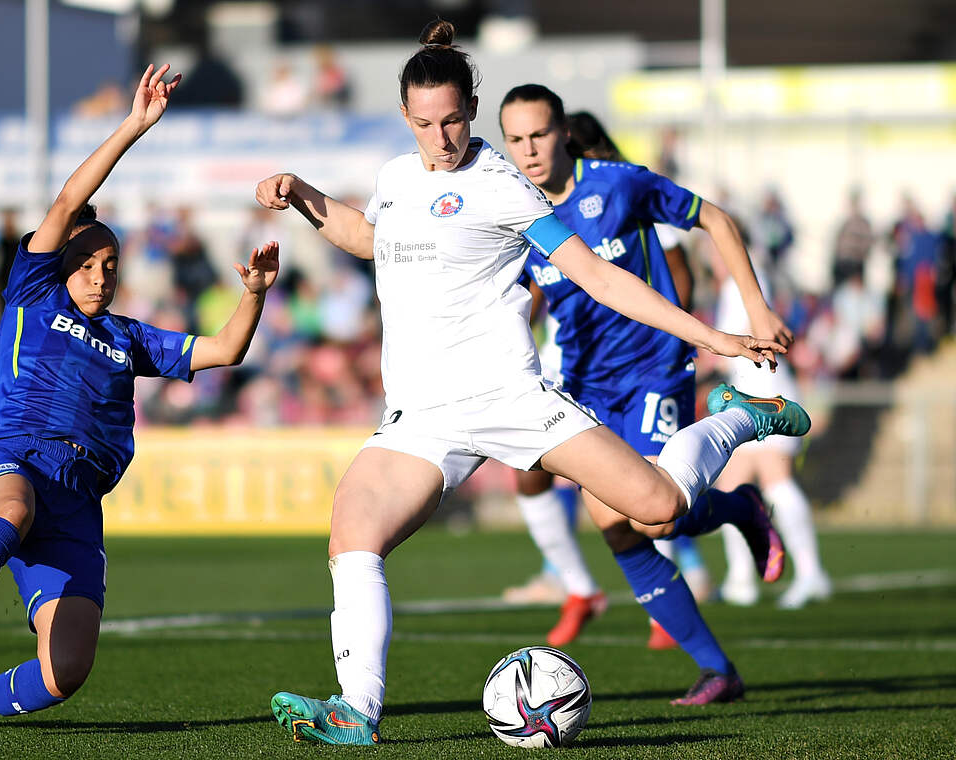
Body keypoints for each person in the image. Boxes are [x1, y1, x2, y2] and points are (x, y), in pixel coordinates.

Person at [256, 21, 808, 745]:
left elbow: (595, 274)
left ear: (472, 110)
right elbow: (369, 240)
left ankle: (739, 416)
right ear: (405, 118)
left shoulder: (501, 185)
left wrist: (710, 338)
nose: (441, 136)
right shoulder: (397, 176)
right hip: (422, 417)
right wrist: (302, 194)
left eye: (453, 119)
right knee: (351, 541)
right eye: (425, 122)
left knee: (659, 508)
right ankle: (355, 711)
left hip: (511, 399)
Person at [0, 64, 281, 730]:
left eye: (110, 266)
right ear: (58, 264)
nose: (99, 276)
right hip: (7, 460)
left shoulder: (127, 339)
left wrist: (255, 292)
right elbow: (67, 203)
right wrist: (136, 125)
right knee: (11, 504)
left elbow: (226, 350)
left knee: (64, 673)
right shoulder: (32, 295)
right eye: (86, 264)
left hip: (76, 499)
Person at [500, 105, 742, 652]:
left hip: (654, 364)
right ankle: (714, 667)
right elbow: (532, 291)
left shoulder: (622, 187)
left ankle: (741, 432)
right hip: (584, 380)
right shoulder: (515, 209)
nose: (530, 149)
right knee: (619, 523)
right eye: (518, 139)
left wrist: (702, 335)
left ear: (566, 137)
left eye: (540, 135)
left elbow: (688, 251)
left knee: (656, 517)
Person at [714, 267, 831, 609]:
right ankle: (740, 580)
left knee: (776, 482)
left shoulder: (744, 277)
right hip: (746, 392)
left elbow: (752, 330)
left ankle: (811, 574)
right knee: (731, 489)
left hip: (763, 392)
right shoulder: (733, 281)